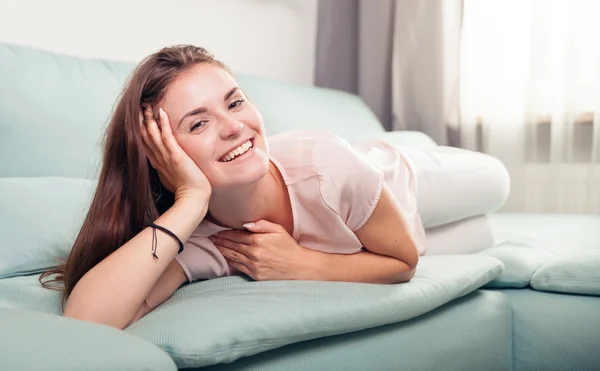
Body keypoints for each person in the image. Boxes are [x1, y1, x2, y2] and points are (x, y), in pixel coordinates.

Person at [40, 45, 510, 330]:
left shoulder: (326, 167)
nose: (233, 127)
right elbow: (87, 320)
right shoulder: (200, 240)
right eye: (199, 122)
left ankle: (409, 142)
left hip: (395, 179)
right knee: (485, 238)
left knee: (496, 181)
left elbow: (404, 262)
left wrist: (301, 264)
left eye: (235, 102)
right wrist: (190, 201)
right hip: (373, 234)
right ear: (164, 160)